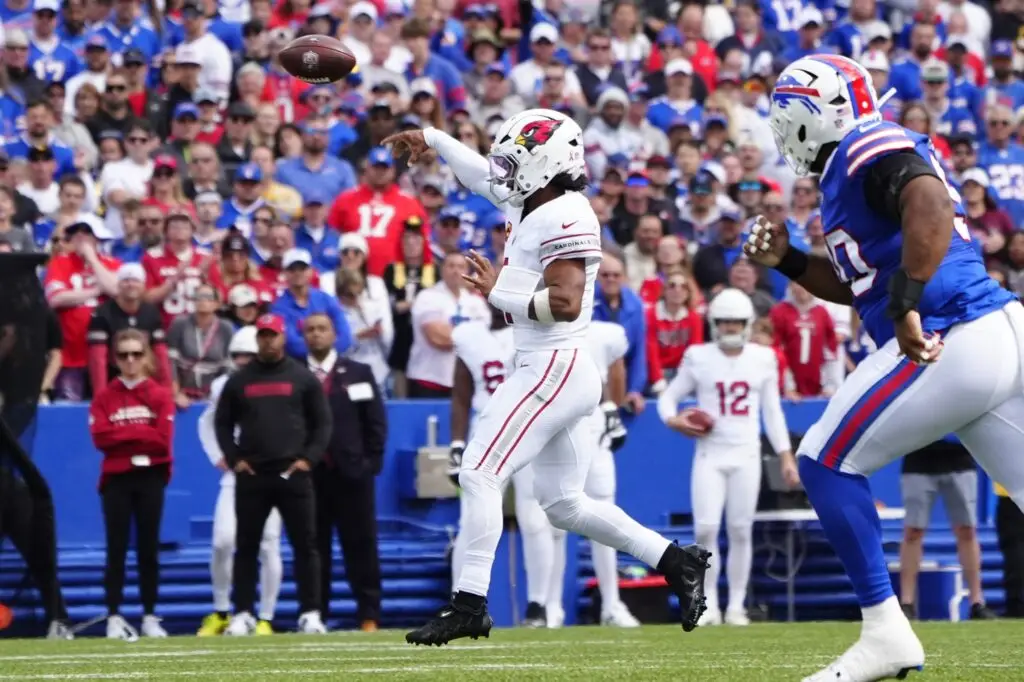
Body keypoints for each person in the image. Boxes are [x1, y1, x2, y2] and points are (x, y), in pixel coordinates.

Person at [386, 108, 711, 646]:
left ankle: (469, 604)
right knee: (564, 504)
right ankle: (675, 560)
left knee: (479, 471)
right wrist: (434, 139)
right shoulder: (532, 198)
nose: (504, 172)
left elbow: (563, 303)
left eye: (515, 161)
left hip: (553, 364)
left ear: (547, 163)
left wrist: (497, 291)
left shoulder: (567, 215)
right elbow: (479, 174)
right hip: (552, 365)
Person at [746, 54, 1020, 681]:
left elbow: (926, 200)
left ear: (817, 114)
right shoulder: (853, 167)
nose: (783, 133)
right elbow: (861, 283)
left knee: (821, 459)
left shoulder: (867, 144)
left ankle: (885, 632)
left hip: (951, 333)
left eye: (788, 118)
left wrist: (907, 303)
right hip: (996, 332)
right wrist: (791, 260)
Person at [658, 289, 795, 626]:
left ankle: (735, 605)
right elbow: (669, 397)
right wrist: (672, 419)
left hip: (746, 453)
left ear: (747, 323)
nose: (731, 327)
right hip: (710, 452)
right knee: (705, 529)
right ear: (714, 323)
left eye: (736, 321)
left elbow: (773, 412)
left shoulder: (763, 358)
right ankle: (707, 604)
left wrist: (786, 456)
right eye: (724, 321)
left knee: (740, 529)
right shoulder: (698, 356)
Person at [214, 313, 332, 636]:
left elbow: (323, 422)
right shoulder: (240, 380)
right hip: (253, 475)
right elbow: (222, 423)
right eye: (263, 335)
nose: (268, 340)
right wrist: (235, 459)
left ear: (282, 337)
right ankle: (243, 613)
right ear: (257, 339)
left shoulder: (302, 377)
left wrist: (308, 459)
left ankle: (310, 612)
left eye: (273, 335)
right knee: (247, 546)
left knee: (305, 545)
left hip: (293, 474)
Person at [448, 306, 555, 627]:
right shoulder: (470, 336)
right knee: (472, 520)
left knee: (534, 519)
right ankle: (461, 602)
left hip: (527, 434)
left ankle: (538, 605)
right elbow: (461, 396)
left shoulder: (538, 333)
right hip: (485, 435)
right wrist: (455, 444)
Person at [545, 319, 639, 628]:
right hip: (558, 424)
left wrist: (613, 405)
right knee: (555, 523)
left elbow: (616, 364)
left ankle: (611, 604)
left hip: (593, 424)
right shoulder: (541, 329)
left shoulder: (604, 332)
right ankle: (551, 607)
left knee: (605, 516)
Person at [88, 329, 174, 641]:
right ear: (114, 359)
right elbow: (100, 438)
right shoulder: (104, 396)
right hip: (116, 479)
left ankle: (150, 615)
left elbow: (162, 441)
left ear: (146, 356)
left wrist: (124, 437)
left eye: (136, 354)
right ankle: (114, 616)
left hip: (151, 477)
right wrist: (141, 433)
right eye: (124, 354)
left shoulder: (160, 394)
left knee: (149, 548)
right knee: (117, 549)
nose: (130, 360)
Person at [196, 327, 282, 637]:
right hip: (238, 474)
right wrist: (219, 455)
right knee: (222, 540)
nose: (243, 361)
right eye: (238, 356)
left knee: (268, 543)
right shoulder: (224, 385)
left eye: (249, 355)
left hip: (270, 472)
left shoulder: (277, 379)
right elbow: (207, 421)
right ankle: (222, 610)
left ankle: (265, 617)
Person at [303, 313, 387, 632]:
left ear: (335, 334)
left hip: (353, 475)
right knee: (314, 547)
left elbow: (375, 422)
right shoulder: (297, 374)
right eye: (310, 330)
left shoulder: (359, 372)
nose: (316, 335)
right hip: (311, 476)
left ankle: (369, 614)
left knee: (361, 546)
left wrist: (370, 464)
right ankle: (315, 614)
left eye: (322, 329)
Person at [898, 436, 996, 620]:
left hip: (961, 460)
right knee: (913, 532)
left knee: (967, 530)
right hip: (918, 460)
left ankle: (977, 602)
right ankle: (907, 603)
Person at [87, 263, 171, 393]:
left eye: (136, 280)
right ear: (118, 285)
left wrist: (166, 390)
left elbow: (161, 354)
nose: (131, 284)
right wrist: (101, 394)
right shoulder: (102, 313)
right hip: (113, 382)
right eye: (126, 280)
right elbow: (97, 359)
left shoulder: (152, 312)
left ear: (144, 285)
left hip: (145, 382)